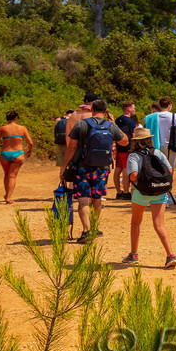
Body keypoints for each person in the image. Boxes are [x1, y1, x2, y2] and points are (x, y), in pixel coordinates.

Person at [65, 98, 125, 242]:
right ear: (105, 111)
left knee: (83, 201)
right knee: (97, 198)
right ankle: (95, 228)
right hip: (102, 169)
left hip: (83, 167)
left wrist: (64, 166)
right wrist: (114, 124)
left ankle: (86, 230)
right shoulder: (110, 126)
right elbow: (124, 141)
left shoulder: (81, 124)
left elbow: (72, 147)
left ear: (91, 110)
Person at [120, 129, 176, 270]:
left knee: (136, 223)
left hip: (141, 192)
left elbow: (133, 175)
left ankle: (133, 255)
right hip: (159, 191)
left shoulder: (133, 156)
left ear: (136, 142)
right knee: (159, 225)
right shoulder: (157, 152)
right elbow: (169, 171)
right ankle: (170, 255)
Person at [0, 111, 34, 205]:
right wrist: (30, 150)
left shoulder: (2, 128)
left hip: (5, 153)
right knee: (12, 176)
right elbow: (30, 142)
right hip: (18, 153)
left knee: (6, 175)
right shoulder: (22, 128)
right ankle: (8, 197)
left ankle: (6, 194)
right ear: (16, 118)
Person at [144, 97, 176, 169]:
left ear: (160, 105)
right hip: (171, 146)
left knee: (159, 168)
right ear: (170, 105)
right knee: (170, 168)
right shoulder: (175, 116)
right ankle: (169, 180)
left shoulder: (153, 117)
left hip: (156, 146)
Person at [112, 102, 140, 199]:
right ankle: (126, 192)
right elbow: (133, 135)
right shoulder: (131, 121)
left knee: (117, 170)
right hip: (127, 148)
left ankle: (118, 192)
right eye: (133, 108)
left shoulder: (117, 120)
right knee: (125, 170)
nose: (134, 110)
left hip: (119, 148)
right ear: (129, 109)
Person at [63, 94, 97, 171]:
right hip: (89, 152)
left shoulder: (73, 115)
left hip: (75, 151)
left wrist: (70, 151)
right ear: (94, 102)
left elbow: (68, 135)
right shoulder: (93, 115)